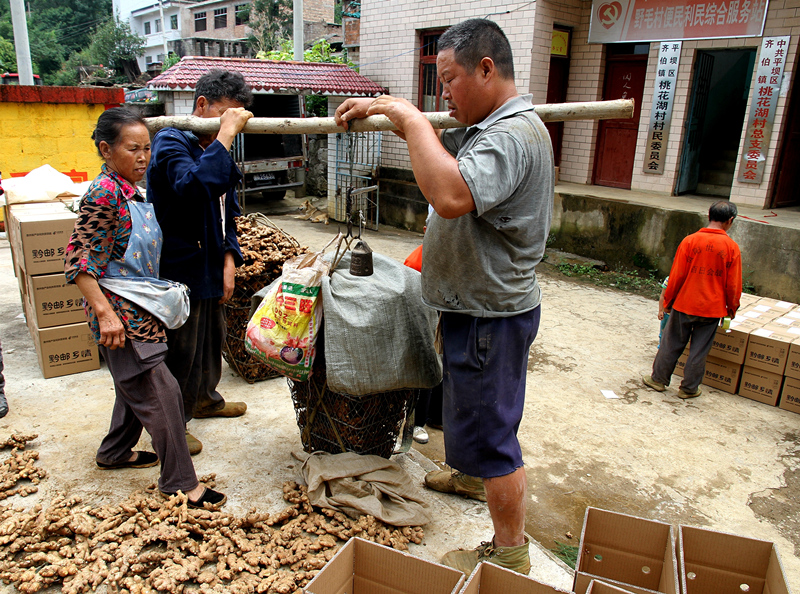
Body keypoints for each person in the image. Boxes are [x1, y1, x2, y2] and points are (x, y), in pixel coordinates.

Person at [335, 18, 553, 576]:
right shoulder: (491, 127)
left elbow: (453, 193)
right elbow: (446, 161)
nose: (443, 93)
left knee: (494, 435)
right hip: (475, 305)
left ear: (486, 69)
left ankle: (510, 555)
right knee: (474, 414)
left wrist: (406, 117)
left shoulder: (509, 135)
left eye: (450, 79)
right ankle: (469, 474)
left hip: (489, 314)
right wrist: (397, 119)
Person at [65, 107, 225, 508]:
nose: (143, 157)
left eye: (147, 148)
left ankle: (115, 452)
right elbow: (78, 261)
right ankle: (181, 483)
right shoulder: (103, 194)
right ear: (106, 149)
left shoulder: (131, 189)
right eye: (132, 148)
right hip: (121, 314)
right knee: (163, 392)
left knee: (131, 386)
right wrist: (104, 314)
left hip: (140, 306)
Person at [147, 70, 253, 455]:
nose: (229, 126)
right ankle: (176, 421)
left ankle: (206, 399)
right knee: (181, 349)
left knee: (211, 340)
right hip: (180, 264)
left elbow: (228, 206)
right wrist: (224, 136)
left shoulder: (216, 149)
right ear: (201, 107)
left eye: (236, 119)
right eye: (224, 115)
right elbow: (193, 187)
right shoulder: (170, 140)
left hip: (210, 257)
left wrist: (229, 256)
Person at [643, 201, 742, 399]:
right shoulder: (731, 248)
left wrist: (668, 302)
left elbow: (677, 275)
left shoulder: (690, 241)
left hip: (685, 304)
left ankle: (659, 380)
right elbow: (733, 285)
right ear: (730, 221)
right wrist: (732, 309)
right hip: (712, 309)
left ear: (709, 216)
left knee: (671, 344)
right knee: (699, 349)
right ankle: (688, 389)